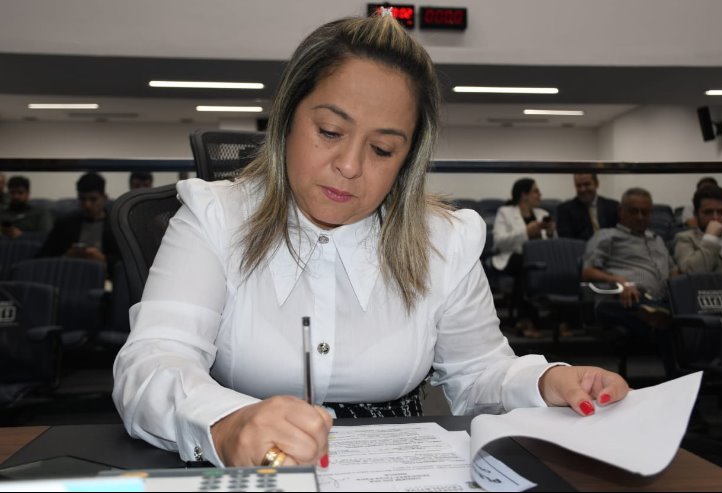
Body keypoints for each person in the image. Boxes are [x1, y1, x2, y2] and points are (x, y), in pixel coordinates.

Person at [112, 13, 628, 470]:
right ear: (287, 118)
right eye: (331, 132)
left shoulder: (445, 240)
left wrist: (545, 383)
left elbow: (478, 373)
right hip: (250, 469)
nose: (351, 166)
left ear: (407, 160)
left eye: (382, 149)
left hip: (402, 472)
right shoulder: (215, 216)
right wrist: (225, 422)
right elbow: (154, 360)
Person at [582, 187, 678, 339]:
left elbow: (673, 271)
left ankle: (659, 318)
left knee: (681, 306)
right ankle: (659, 320)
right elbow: (588, 272)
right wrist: (620, 281)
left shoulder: (657, 239)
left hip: (663, 299)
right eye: (634, 211)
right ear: (620, 211)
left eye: (645, 212)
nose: (640, 217)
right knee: (612, 308)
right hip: (629, 298)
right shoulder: (606, 236)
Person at [491, 178, 554, 338]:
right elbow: (500, 242)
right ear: (524, 195)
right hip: (510, 257)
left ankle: (530, 320)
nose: (540, 195)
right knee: (525, 266)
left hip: (539, 260)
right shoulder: (505, 212)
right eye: (535, 191)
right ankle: (526, 319)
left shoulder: (543, 214)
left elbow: (552, 245)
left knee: (530, 267)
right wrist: (526, 231)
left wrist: (551, 233)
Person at [37, 172, 119, 274]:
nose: (87, 204)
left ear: (104, 198)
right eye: (82, 199)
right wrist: (66, 257)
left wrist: (104, 259)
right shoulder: (64, 224)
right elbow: (42, 258)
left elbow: (127, 262)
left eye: (93, 199)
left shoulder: (117, 227)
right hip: (68, 274)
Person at [674, 184, 722, 273]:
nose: (715, 218)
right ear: (695, 214)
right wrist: (711, 237)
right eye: (708, 212)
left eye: (720, 212)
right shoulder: (686, 239)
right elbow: (691, 272)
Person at [556, 173, 618, 241]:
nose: (582, 189)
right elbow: (567, 242)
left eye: (587, 184)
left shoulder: (613, 207)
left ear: (596, 184)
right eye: (579, 186)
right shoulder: (565, 210)